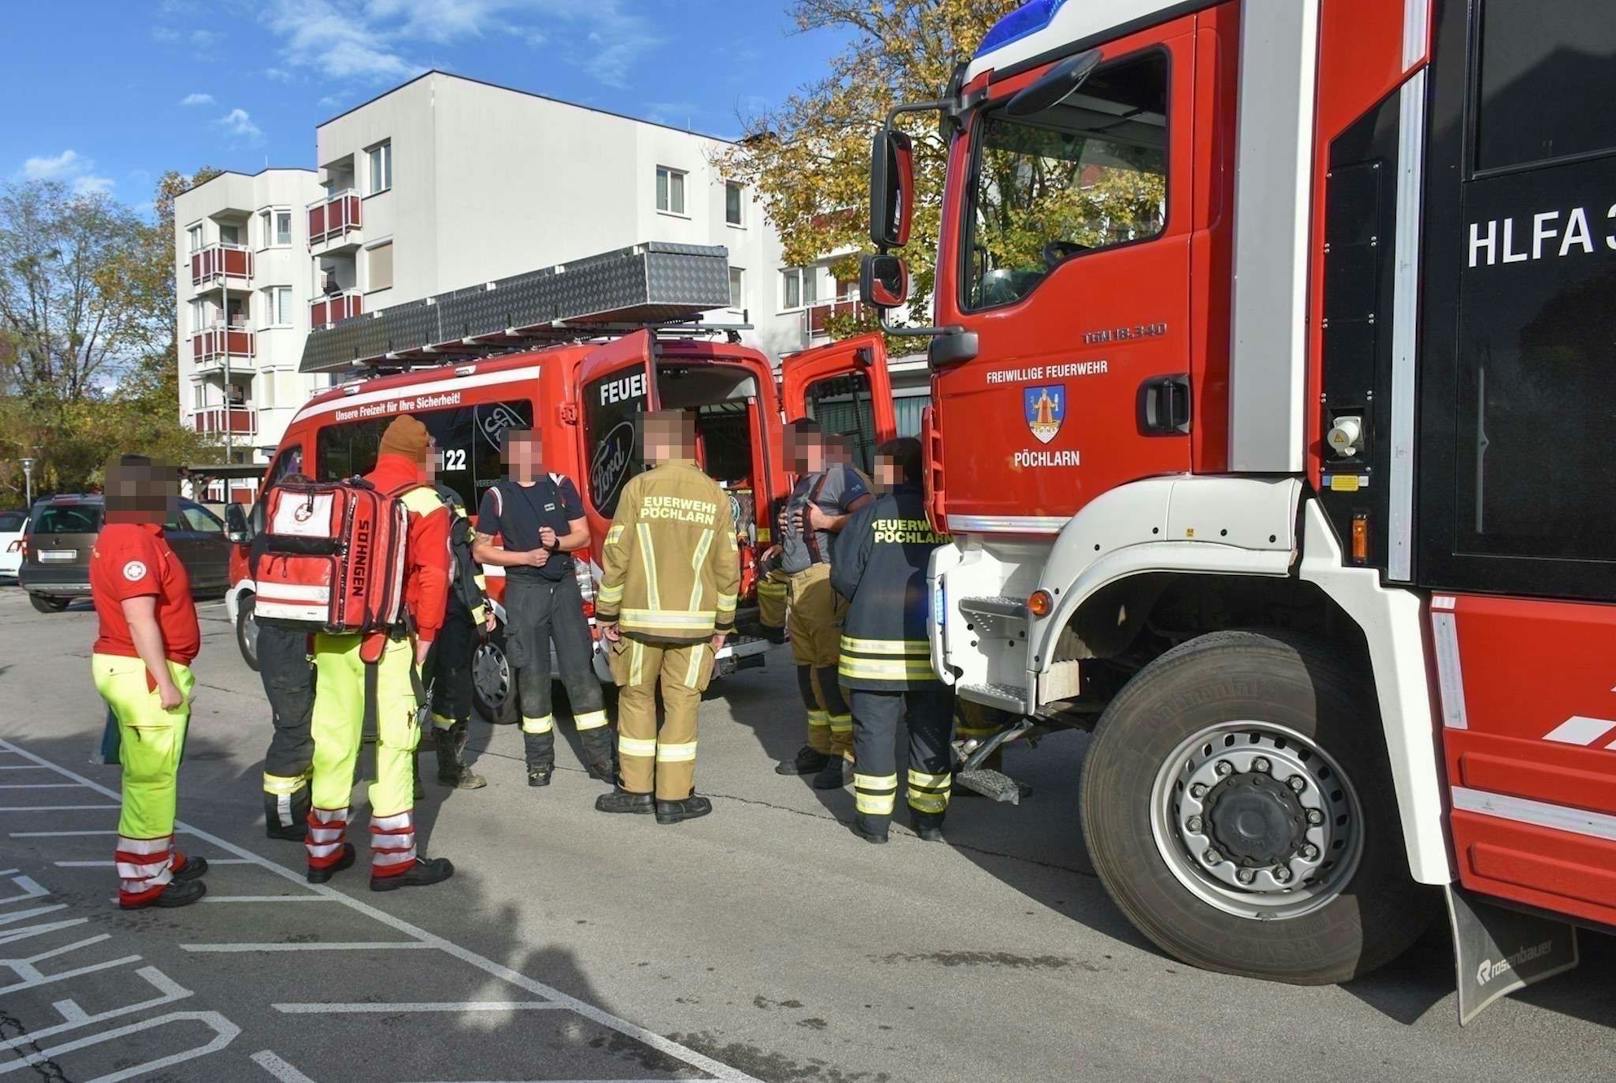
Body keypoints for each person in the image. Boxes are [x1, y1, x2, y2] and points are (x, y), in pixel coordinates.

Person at [305, 415, 456, 891]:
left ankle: (322, 852)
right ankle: (393, 860)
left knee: (333, 741)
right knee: (394, 744)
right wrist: (425, 641)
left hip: (333, 640)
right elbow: (433, 577)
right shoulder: (426, 502)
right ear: (419, 453)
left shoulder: (349, 494)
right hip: (389, 641)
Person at [593, 410, 740, 824]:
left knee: (636, 698)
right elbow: (728, 566)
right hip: (695, 627)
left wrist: (607, 613)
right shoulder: (713, 494)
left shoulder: (637, 489)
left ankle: (636, 790)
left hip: (639, 624)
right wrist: (723, 626)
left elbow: (616, 556)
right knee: (682, 705)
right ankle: (674, 799)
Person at [90, 455, 208, 908]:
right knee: (152, 777)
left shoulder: (132, 534)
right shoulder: (131, 541)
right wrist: (165, 681)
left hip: (132, 666)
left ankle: (156, 857)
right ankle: (144, 879)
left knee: (150, 773)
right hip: (142, 671)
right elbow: (140, 619)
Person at [831, 438, 955, 844]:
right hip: (935, 649)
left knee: (874, 734)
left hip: (872, 651)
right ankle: (930, 822)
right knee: (931, 733)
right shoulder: (942, 517)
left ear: (892, 470)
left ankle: (874, 825)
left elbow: (843, 576)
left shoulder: (869, 516)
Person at [472, 429, 613, 787]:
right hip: (524, 591)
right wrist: (524, 557)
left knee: (582, 677)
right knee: (532, 680)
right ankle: (539, 762)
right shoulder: (497, 496)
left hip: (563, 588)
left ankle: (601, 759)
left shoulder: (559, 484)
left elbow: (582, 534)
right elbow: (481, 550)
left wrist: (558, 543)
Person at [768, 419, 872, 788]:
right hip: (797, 586)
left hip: (823, 583)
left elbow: (867, 516)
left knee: (829, 671)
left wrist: (824, 520)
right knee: (806, 670)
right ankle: (818, 745)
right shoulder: (803, 481)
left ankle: (844, 754)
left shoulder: (839, 475)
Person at [251, 474, 319, 840]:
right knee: (293, 730)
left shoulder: (272, 539)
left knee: (305, 728)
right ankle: (284, 818)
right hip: (284, 643)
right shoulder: (279, 543)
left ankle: (299, 805)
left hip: (288, 642)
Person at [426, 471, 491, 790]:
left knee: (456, 690)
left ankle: (450, 764)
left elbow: (468, 560)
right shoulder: (398, 497)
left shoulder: (451, 497)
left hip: (455, 607)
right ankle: (405, 774)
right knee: (408, 696)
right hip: (414, 611)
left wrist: (482, 608)